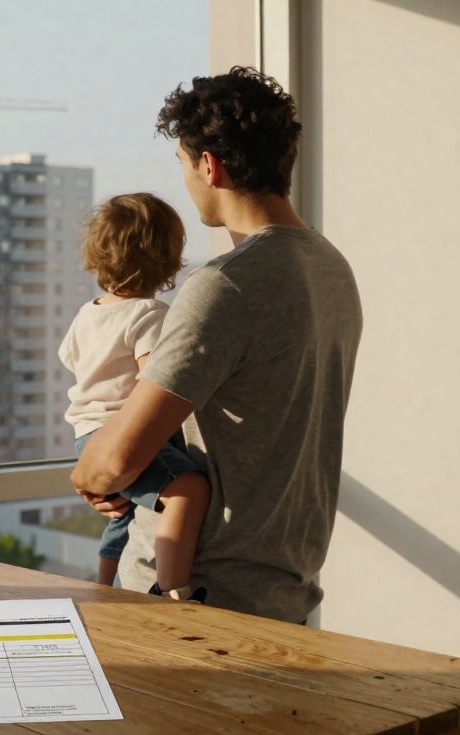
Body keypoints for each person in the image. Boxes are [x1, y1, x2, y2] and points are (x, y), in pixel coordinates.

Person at [70, 66, 364, 623]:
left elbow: (115, 459)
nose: (185, 178)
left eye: (183, 163)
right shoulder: (332, 268)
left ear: (210, 165)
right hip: (284, 591)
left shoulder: (224, 284)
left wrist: (88, 475)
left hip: (190, 604)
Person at [58, 193, 210, 600]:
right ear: (169, 260)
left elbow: (71, 358)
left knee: (124, 513)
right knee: (188, 489)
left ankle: (103, 587)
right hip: (121, 433)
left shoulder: (87, 312)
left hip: (87, 435)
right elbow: (154, 379)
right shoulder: (149, 314)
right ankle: (174, 589)